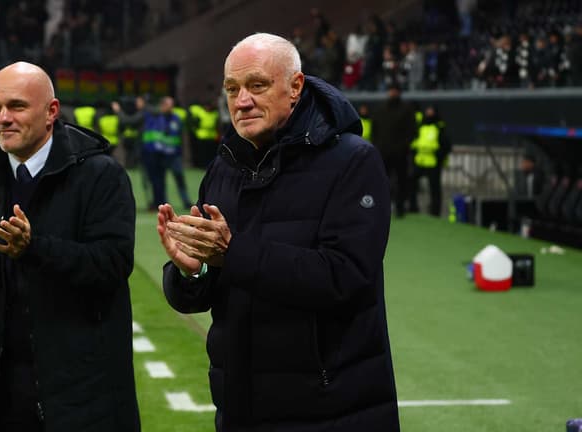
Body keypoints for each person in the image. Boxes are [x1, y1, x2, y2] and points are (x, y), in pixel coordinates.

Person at [157, 33, 399, 431]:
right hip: (241, 408)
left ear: (296, 87)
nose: (242, 101)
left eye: (257, 85)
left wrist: (231, 255)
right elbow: (210, 287)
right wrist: (191, 272)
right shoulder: (224, 166)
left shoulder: (353, 161)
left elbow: (344, 276)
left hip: (331, 411)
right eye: (232, 89)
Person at [0, 62, 140, 432]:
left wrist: (35, 248)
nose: (2, 118)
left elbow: (113, 264)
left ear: (51, 112)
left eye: (17, 106)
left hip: (82, 395)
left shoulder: (100, 176)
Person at [371, 81, 417, 217]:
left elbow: (411, 131)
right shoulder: (380, 109)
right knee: (383, 181)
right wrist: (378, 146)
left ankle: (400, 207)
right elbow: (375, 130)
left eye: (395, 90)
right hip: (383, 152)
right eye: (391, 90)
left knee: (402, 180)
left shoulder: (407, 109)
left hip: (400, 153)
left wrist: (403, 147)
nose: (392, 93)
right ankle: (383, 207)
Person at [141, 95, 192, 210]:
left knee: (179, 179)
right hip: (160, 155)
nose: (170, 107)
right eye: (168, 105)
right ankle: (162, 202)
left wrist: (180, 152)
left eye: (171, 105)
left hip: (174, 155)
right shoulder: (154, 118)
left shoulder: (176, 118)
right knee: (160, 180)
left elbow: (179, 137)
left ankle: (186, 201)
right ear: (162, 105)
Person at [408, 105, 451, 216]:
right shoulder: (421, 127)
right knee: (411, 183)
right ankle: (413, 207)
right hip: (420, 161)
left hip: (433, 163)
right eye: (428, 111)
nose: (429, 113)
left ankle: (435, 212)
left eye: (431, 111)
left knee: (434, 189)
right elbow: (415, 142)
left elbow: (446, 145)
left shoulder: (439, 127)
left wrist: (438, 156)